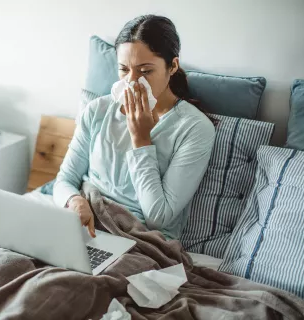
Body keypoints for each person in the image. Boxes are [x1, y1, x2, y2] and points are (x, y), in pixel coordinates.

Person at [53, 15, 215, 240]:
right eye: (124, 69)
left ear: (173, 66)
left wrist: (141, 140)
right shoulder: (98, 110)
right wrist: (74, 200)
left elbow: (158, 216)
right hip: (85, 226)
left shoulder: (194, 128)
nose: (132, 81)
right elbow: (64, 181)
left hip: (139, 240)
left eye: (145, 71)